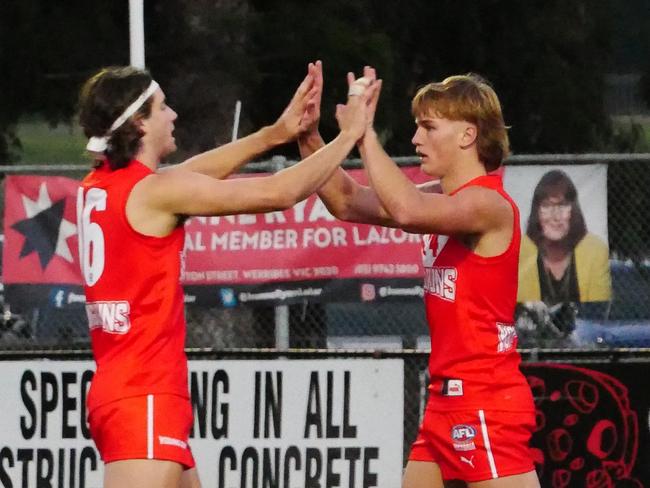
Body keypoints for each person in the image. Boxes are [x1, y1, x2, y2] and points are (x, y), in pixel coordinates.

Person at [76, 62, 375, 488]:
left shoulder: (102, 185)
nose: (173, 115)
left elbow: (190, 174)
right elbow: (278, 192)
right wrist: (349, 135)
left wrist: (275, 134)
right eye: (163, 107)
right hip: (144, 393)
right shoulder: (153, 192)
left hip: (127, 389)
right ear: (139, 122)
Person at [298, 64, 540, 487]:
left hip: (487, 402)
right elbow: (346, 201)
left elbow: (407, 211)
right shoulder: (441, 200)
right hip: (444, 403)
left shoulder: (488, 204)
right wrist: (310, 138)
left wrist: (364, 134)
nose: (415, 139)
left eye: (428, 127)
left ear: (467, 135)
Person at [518, 169, 611, 305]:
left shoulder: (596, 250)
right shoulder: (518, 252)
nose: (556, 216)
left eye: (562, 205)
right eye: (547, 206)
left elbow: (599, 309)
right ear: (536, 211)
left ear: (573, 210)